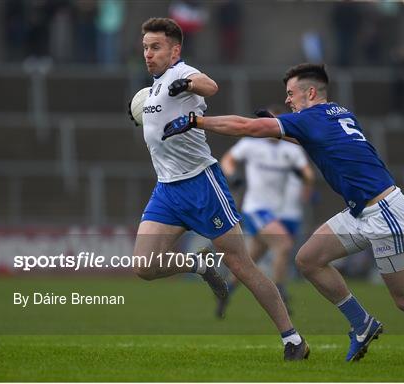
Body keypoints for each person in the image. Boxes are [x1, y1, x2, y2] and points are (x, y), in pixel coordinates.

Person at [162, 63, 404, 364]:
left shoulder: (312, 118)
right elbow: (311, 139)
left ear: (311, 92)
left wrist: (197, 120)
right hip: (361, 211)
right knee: (308, 259)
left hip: (384, 212)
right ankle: (361, 322)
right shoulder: (339, 112)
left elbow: (248, 128)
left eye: (292, 93)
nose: (289, 99)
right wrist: (282, 124)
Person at [128, 18, 309, 361]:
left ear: (175, 50)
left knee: (242, 265)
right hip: (166, 190)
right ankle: (200, 266)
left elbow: (209, 86)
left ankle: (293, 339)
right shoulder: (151, 88)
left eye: (156, 47)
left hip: (201, 185)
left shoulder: (183, 73)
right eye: (146, 48)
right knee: (144, 266)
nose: (149, 54)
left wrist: (186, 83)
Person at [218, 125, 314, 318]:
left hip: (281, 212)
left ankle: (225, 291)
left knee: (249, 260)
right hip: (256, 209)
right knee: (283, 245)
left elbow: (308, 173)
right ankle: (280, 293)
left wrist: (307, 185)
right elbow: (227, 160)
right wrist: (233, 175)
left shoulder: (291, 150)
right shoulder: (250, 144)